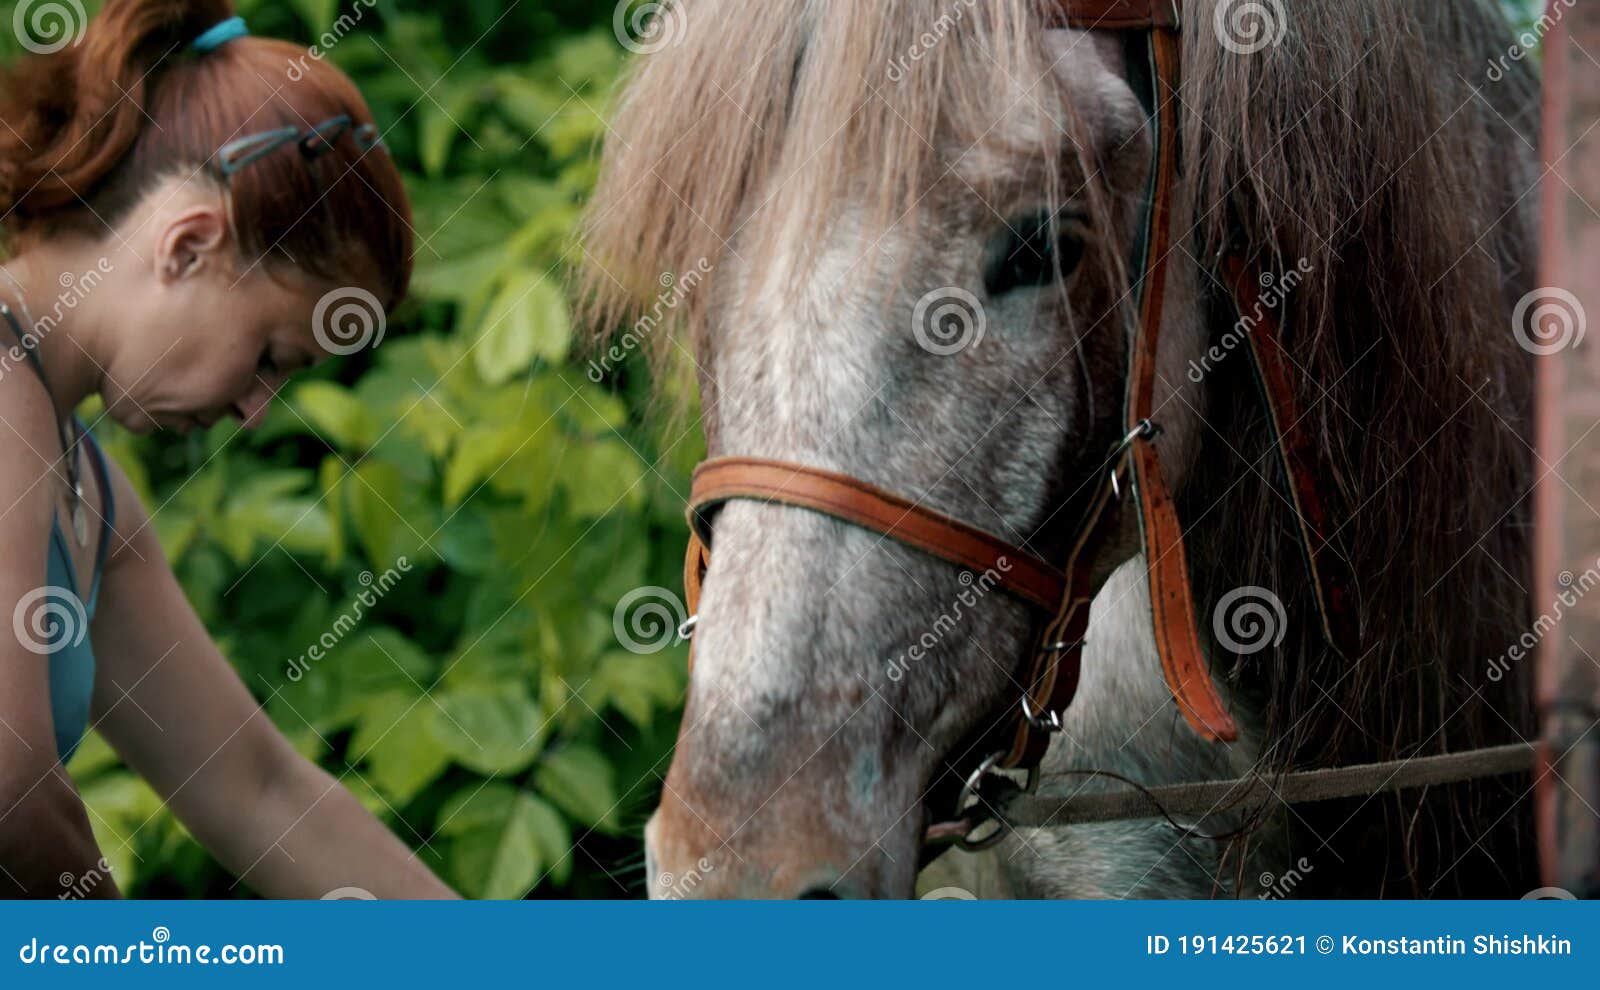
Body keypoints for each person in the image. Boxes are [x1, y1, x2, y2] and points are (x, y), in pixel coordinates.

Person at [0, 0, 454, 898]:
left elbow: (259, 792)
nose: (254, 411)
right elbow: (10, 786)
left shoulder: (88, 493)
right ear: (191, 244)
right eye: (270, 359)